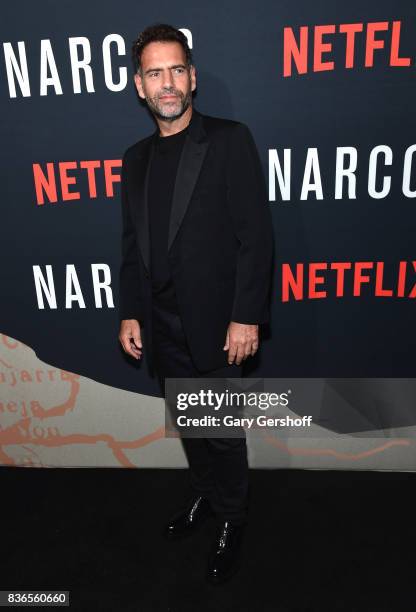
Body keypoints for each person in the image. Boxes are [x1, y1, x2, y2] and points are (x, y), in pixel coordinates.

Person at [118, 23, 274, 584]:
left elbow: (256, 235)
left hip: (214, 323)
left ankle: (233, 517)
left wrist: (246, 315)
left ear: (192, 78)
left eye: (176, 70)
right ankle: (206, 496)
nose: (167, 82)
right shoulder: (134, 159)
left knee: (223, 432)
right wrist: (132, 311)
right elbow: (133, 246)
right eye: (155, 72)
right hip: (159, 324)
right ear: (140, 85)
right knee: (190, 423)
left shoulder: (228, 140)